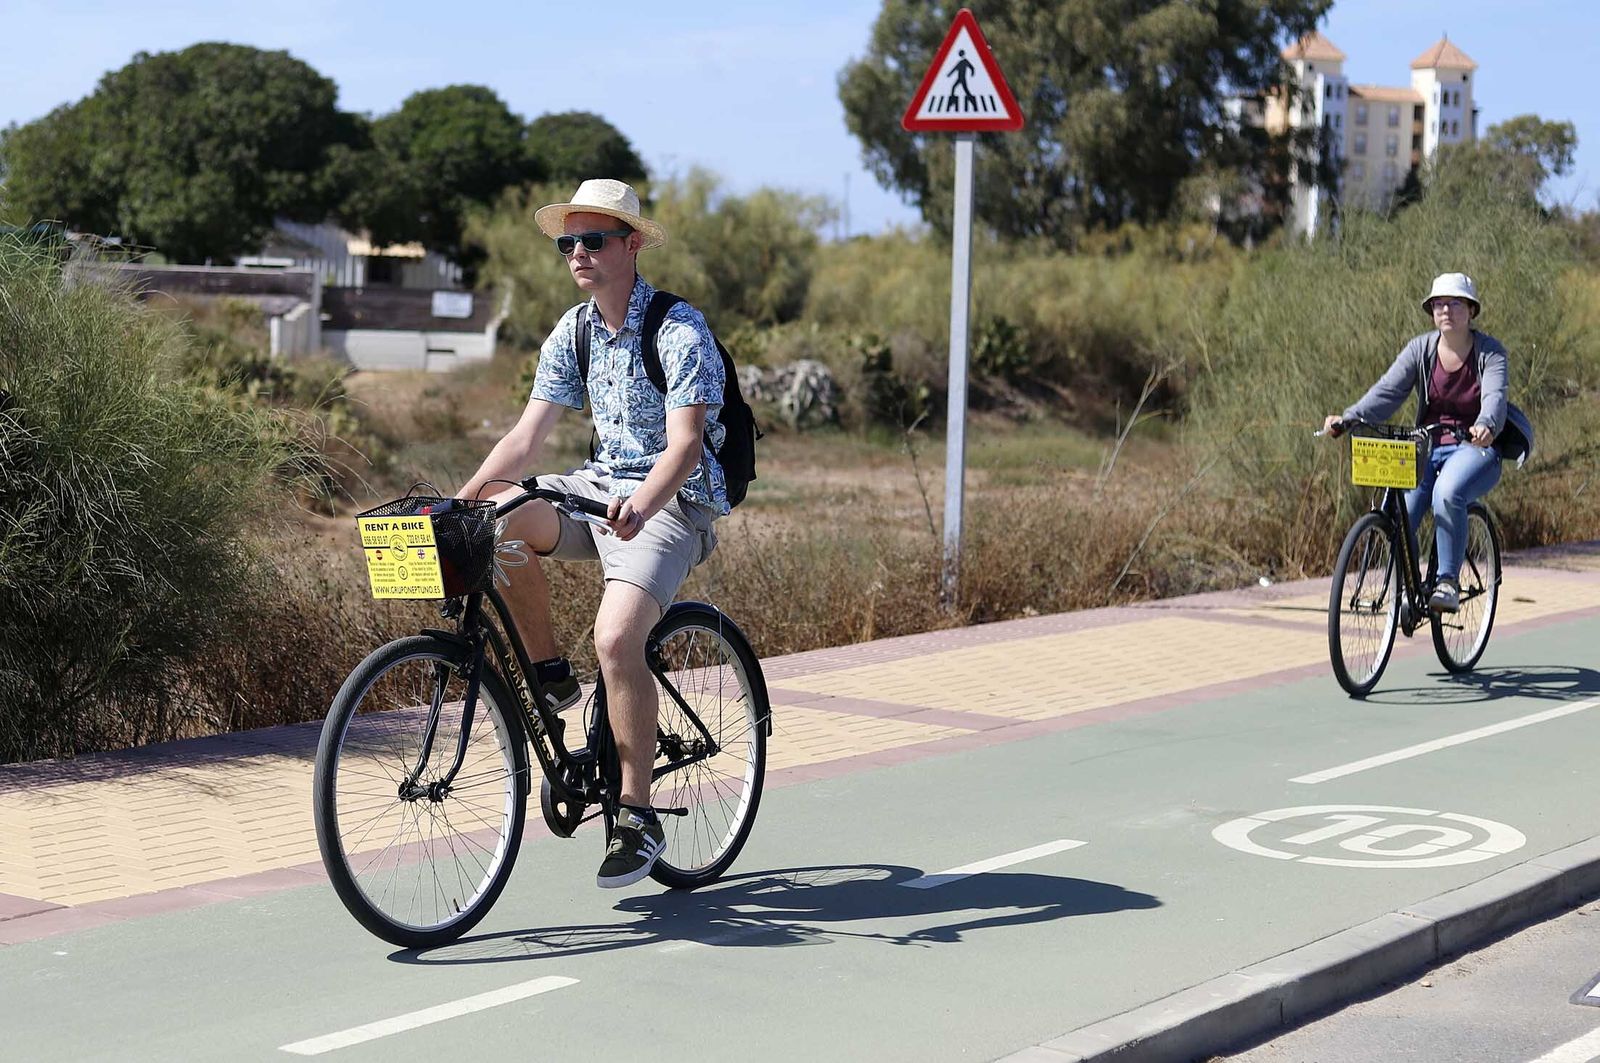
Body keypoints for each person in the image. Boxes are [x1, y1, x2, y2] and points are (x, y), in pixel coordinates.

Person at [457, 179, 728, 888]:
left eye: (594, 240)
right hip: (600, 488)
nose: (577, 253)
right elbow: (525, 438)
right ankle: (551, 676)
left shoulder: (678, 328)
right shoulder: (574, 331)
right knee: (496, 519)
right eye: (567, 243)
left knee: (615, 639)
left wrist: (643, 503)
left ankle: (637, 814)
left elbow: (686, 446)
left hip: (671, 502)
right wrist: (463, 499)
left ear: (631, 244)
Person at [1323, 272, 1533, 614]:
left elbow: (1495, 398)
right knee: (1401, 511)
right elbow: (1387, 392)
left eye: (1455, 303)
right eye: (1439, 304)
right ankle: (1410, 587)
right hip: (1426, 447)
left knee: (1447, 493)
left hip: (1475, 448)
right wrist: (1349, 418)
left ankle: (1447, 582)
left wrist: (1486, 425)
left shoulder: (1490, 352)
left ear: (1471, 310)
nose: (1446, 310)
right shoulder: (1420, 349)